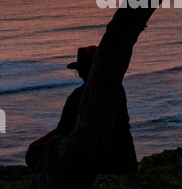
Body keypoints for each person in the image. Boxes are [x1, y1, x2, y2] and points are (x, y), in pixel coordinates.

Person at [25, 45, 138, 173]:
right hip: (123, 151)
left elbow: (64, 130)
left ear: (81, 72)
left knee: (35, 149)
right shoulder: (117, 88)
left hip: (94, 151)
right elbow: (123, 123)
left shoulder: (78, 95)